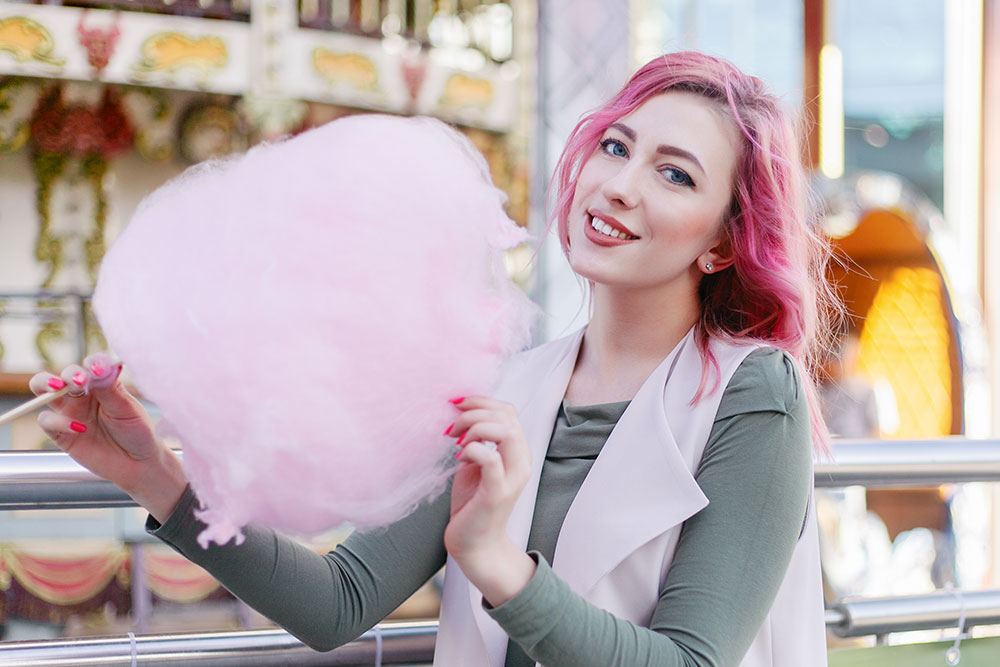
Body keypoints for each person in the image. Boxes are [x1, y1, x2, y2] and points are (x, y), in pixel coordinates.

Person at [31, 51, 837, 667]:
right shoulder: (504, 384)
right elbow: (340, 600)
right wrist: (155, 476)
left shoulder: (750, 393)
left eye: (673, 173)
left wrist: (501, 568)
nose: (621, 185)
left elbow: (692, 660)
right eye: (615, 146)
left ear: (725, 242)